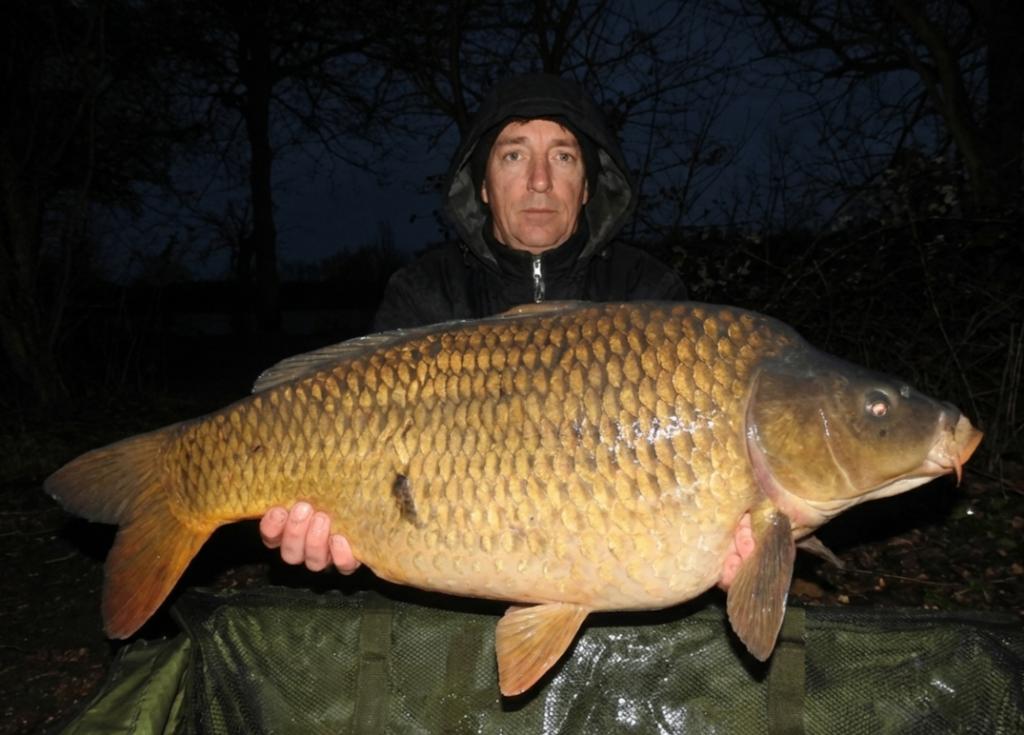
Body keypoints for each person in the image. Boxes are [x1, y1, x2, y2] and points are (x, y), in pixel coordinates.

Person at [260, 72, 704, 576]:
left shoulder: (649, 298)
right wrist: (336, 528)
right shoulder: (425, 292)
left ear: (587, 188)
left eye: (563, 156)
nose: (540, 180)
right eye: (514, 155)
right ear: (484, 187)